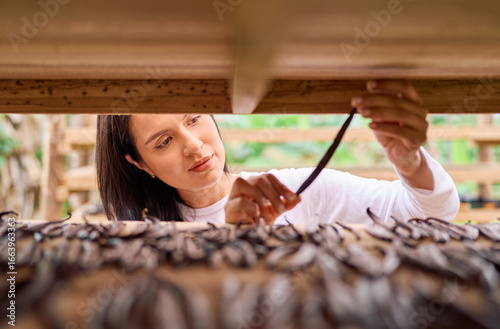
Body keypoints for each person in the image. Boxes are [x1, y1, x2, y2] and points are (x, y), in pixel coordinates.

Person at [96, 80, 460, 225]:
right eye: (163, 142)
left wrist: (409, 161)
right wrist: (234, 240)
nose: (193, 144)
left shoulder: (300, 193)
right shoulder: (140, 238)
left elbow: (430, 213)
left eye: (194, 118)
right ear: (139, 163)